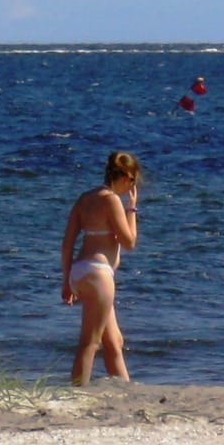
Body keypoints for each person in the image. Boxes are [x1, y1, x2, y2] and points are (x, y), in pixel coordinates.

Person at [60, 151, 140, 385]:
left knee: (114, 341)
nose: (131, 187)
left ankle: (126, 393)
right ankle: (75, 395)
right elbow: (129, 242)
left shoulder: (84, 199)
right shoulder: (111, 199)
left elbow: (67, 245)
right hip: (98, 274)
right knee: (89, 343)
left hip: (80, 271)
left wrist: (66, 281)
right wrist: (132, 209)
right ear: (125, 176)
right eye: (132, 181)